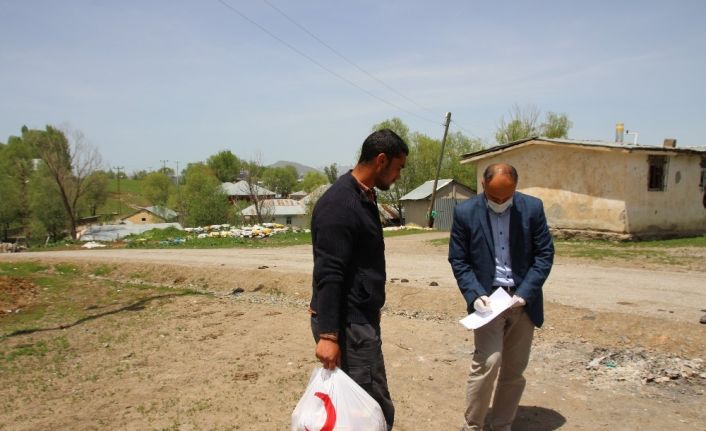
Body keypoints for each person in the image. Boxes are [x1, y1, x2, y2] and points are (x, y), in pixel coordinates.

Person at [309, 128, 408, 430]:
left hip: (359, 318)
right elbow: (329, 273)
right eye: (399, 167)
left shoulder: (363, 195)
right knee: (370, 404)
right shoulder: (340, 204)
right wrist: (328, 336)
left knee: (362, 403)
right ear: (381, 160)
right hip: (347, 324)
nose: (399, 176)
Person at [448, 163, 554, 431]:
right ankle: (472, 425)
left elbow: (544, 255)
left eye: (507, 197)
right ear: (483, 185)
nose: (500, 202)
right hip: (488, 301)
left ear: (515, 188)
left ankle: (501, 425)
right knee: (488, 362)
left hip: (521, 301)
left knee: (514, 370)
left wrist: (525, 293)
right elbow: (459, 260)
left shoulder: (532, 209)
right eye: (494, 197)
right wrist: (474, 294)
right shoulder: (465, 212)